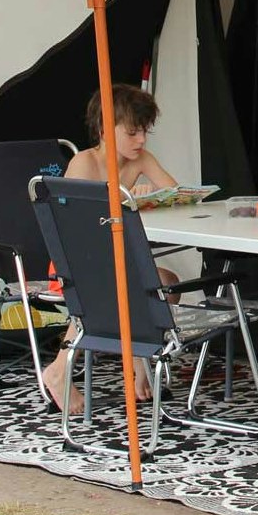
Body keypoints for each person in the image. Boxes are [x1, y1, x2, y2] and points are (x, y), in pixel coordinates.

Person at [42, 84, 180, 413]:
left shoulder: (141, 160)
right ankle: (61, 371)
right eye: (133, 133)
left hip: (118, 259)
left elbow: (176, 194)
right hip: (75, 263)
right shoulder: (84, 164)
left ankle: (138, 360)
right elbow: (75, 227)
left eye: (145, 132)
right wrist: (124, 202)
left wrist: (149, 199)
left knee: (168, 284)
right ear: (106, 128)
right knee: (117, 287)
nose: (142, 140)